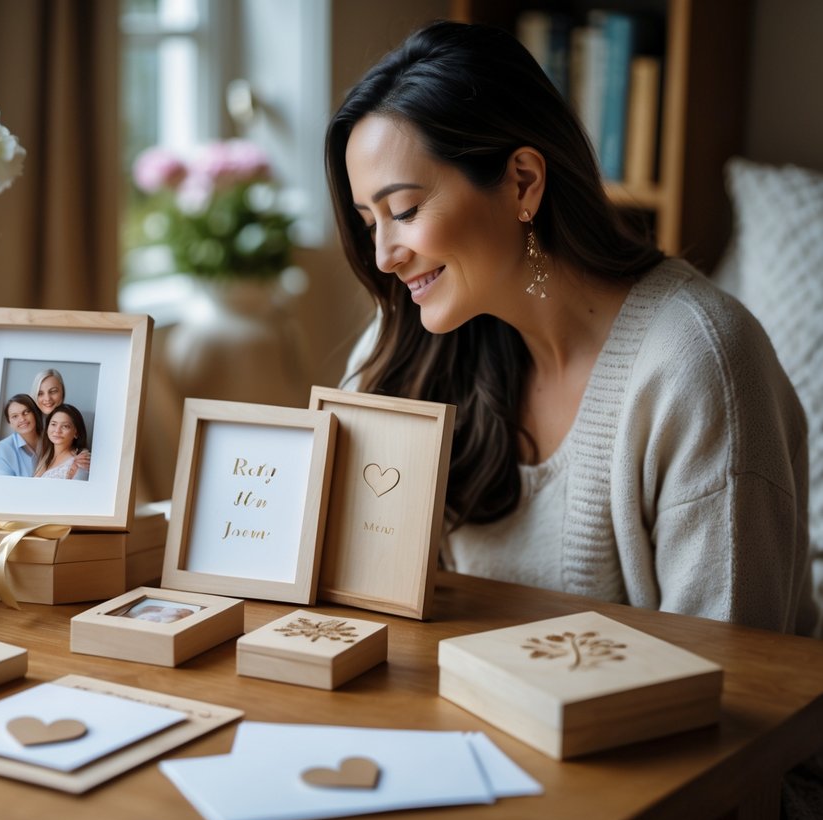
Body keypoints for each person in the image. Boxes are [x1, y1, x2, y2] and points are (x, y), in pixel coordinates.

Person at [327, 20, 818, 637]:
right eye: (370, 221)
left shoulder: (700, 363)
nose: (383, 256)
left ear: (522, 182)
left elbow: (729, 677)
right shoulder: (407, 343)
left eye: (403, 211)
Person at [34, 403, 91, 481]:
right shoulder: (45, 456)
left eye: (65, 426)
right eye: (53, 424)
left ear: (76, 433)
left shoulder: (81, 460)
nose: (57, 431)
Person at [0, 394, 42, 477]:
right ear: (10, 423)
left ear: (35, 413)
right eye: (15, 416)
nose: (22, 419)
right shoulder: (2, 449)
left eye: (26, 412)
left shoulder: (51, 440)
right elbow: (4, 486)